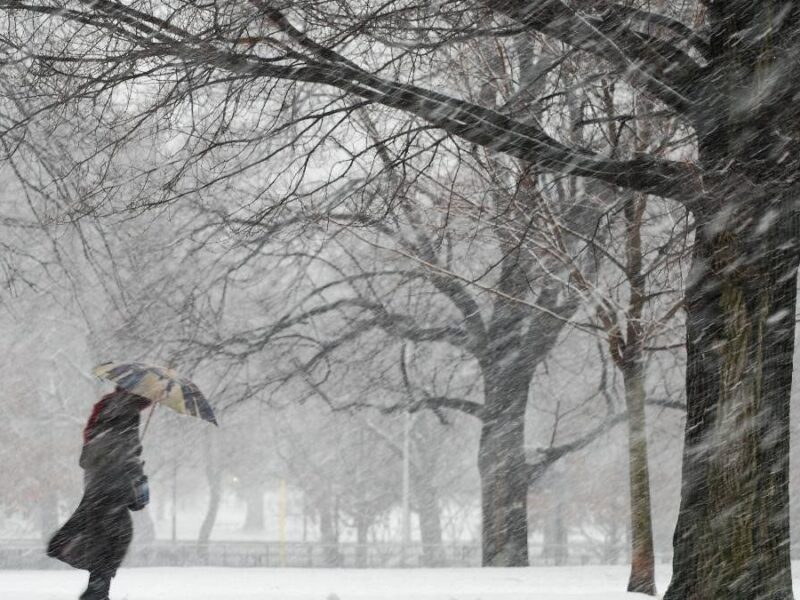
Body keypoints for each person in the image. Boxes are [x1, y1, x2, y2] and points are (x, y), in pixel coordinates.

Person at [47, 388, 152, 600]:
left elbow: (87, 461)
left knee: (103, 546)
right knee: (114, 543)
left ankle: (97, 590)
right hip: (113, 500)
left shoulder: (100, 431)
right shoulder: (126, 434)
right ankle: (97, 591)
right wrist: (137, 472)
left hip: (96, 497)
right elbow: (138, 502)